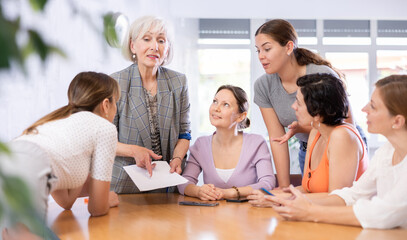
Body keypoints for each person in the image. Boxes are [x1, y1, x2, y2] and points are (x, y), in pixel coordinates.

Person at [249, 75, 407, 229]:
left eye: (373, 106)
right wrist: (280, 199)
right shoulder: (386, 152)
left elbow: (382, 213)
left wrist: (309, 212)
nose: (363, 109)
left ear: (398, 121)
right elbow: (353, 194)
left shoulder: (342, 136)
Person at [253, 19, 366, 187]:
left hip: (339, 145)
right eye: (258, 50)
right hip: (308, 146)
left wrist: (301, 128)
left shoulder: (321, 75)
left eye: (267, 49)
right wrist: (284, 188)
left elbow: (346, 125)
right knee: (309, 195)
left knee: (336, 200)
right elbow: (278, 139)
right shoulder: (263, 85)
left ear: (289, 47)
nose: (261, 56)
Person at [2, 71, 119, 227]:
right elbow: (97, 209)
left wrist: (97, 190)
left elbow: (66, 201)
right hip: (27, 170)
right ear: (106, 105)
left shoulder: (60, 123)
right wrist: (105, 200)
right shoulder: (105, 128)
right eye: (116, 102)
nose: (116, 109)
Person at [249, 73, 368, 202]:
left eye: (299, 103)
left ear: (317, 113)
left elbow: (337, 199)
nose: (293, 106)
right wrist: (270, 196)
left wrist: (278, 200)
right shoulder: (316, 133)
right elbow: (307, 190)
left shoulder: (342, 137)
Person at [110, 16, 191, 194]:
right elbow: (104, 140)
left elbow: (185, 133)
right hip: (125, 186)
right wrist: (134, 151)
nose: (154, 46)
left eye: (161, 40)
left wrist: (178, 157)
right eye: (147, 39)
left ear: (167, 48)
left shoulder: (179, 82)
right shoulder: (115, 83)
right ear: (133, 45)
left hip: (167, 184)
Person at [177, 85, 276, 200]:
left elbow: (267, 184)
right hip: (212, 216)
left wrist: (231, 193)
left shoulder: (256, 143)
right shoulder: (201, 145)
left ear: (241, 116)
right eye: (215, 102)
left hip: (250, 214)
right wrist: (199, 191)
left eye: (226, 104)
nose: (216, 108)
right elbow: (183, 183)